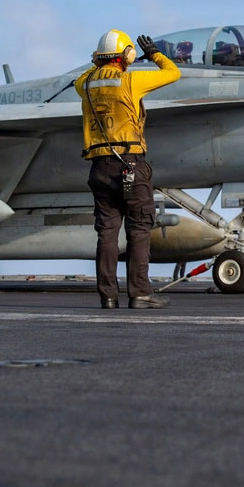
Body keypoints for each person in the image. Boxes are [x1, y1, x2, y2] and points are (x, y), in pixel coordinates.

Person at [76, 29, 181, 309]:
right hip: (130, 164)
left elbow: (87, 75)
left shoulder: (85, 85)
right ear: (126, 56)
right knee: (138, 229)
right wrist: (155, 54)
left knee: (107, 232)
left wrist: (101, 60)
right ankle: (140, 293)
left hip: (99, 168)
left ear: (99, 59)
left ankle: (108, 297)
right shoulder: (130, 80)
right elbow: (172, 73)